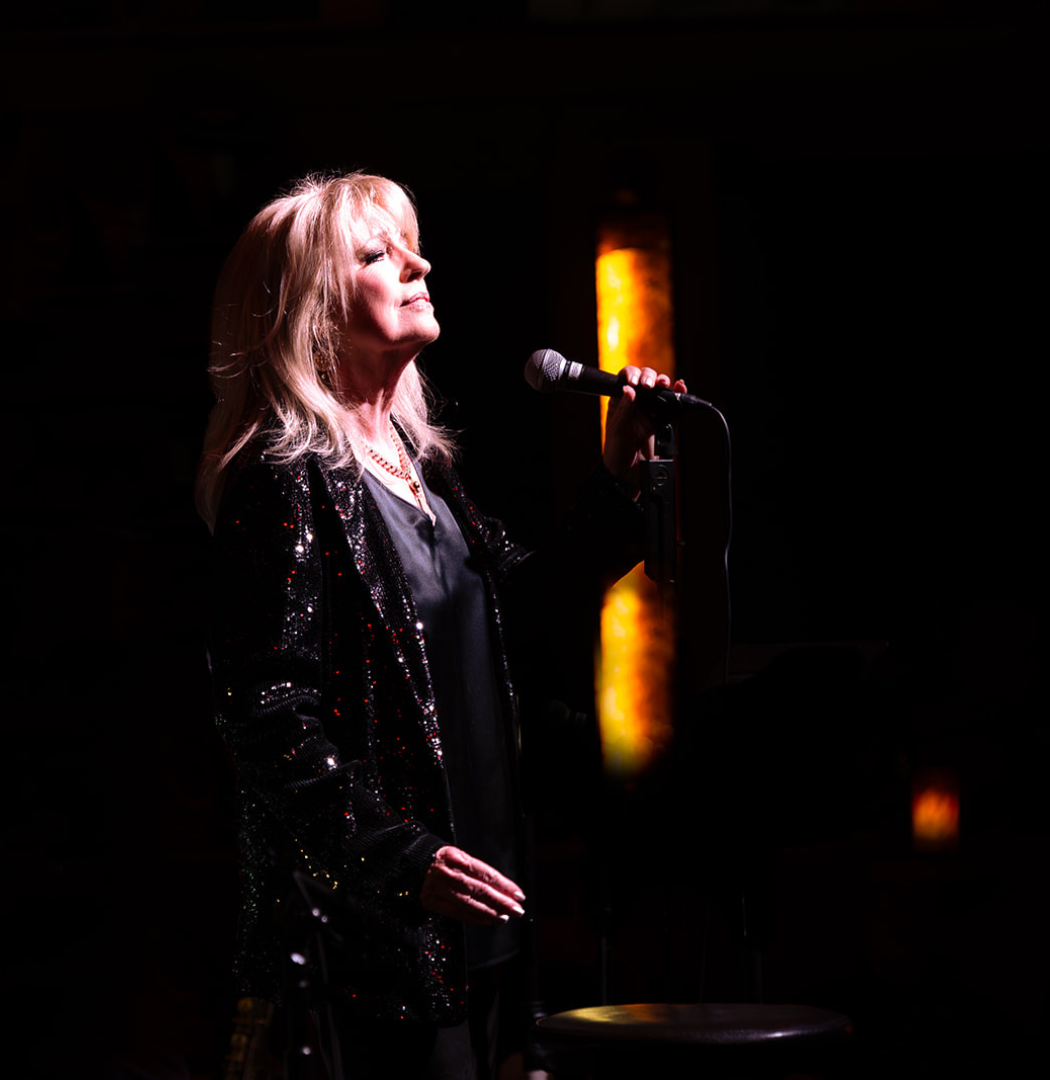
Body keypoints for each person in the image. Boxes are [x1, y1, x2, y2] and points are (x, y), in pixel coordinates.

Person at [196, 170, 686, 1079]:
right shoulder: (285, 478)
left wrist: (619, 490)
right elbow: (264, 712)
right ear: (310, 307)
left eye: (412, 243)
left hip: (485, 927)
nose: (420, 263)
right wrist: (398, 857)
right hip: (376, 946)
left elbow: (518, 622)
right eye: (379, 254)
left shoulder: (424, 471)